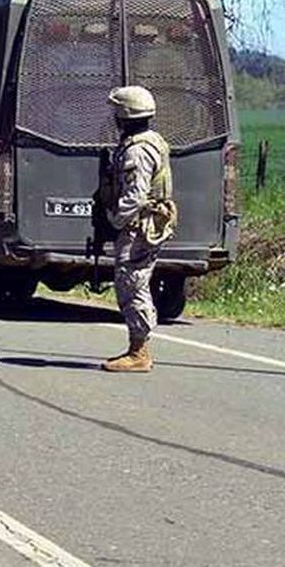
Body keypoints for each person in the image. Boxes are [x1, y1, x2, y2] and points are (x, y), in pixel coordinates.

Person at [99, 85, 177, 373]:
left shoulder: (138, 151)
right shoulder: (150, 140)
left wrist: (114, 220)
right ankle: (137, 347)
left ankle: (139, 351)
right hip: (144, 224)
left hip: (139, 227)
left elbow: (135, 194)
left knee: (132, 282)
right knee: (133, 280)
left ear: (124, 115)